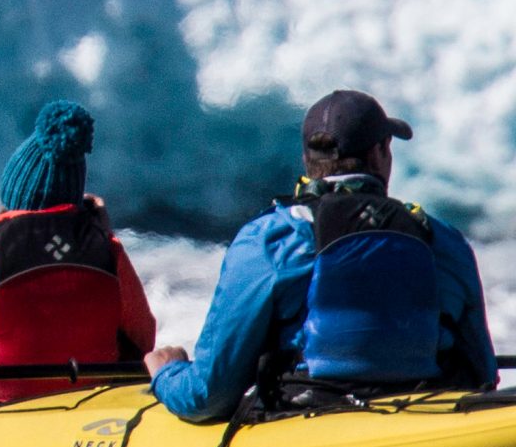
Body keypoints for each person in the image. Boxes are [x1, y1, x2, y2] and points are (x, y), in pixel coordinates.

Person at [145, 89, 496, 422]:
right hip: (429, 419)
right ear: (378, 154)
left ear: (307, 160)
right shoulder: (443, 241)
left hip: (309, 421)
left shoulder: (272, 239)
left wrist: (167, 372)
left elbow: (208, 396)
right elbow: (482, 373)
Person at [0, 100, 158, 402]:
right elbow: (144, 339)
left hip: (2, 410)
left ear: (11, 194)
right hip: (89, 409)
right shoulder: (109, 253)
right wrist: (101, 232)